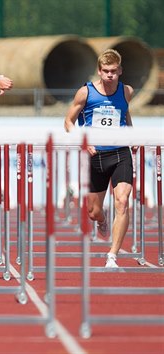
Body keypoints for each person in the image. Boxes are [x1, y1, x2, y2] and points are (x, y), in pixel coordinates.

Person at [64, 49, 134, 268]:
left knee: (122, 200)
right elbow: (68, 122)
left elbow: (125, 114)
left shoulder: (127, 91)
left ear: (120, 70)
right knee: (93, 212)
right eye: (106, 71)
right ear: (99, 71)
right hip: (95, 156)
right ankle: (102, 221)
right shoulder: (85, 93)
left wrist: (133, 135)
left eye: (114, 71)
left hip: (120, 152)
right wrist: (83, 141)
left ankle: (112, 254)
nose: (110, 75)